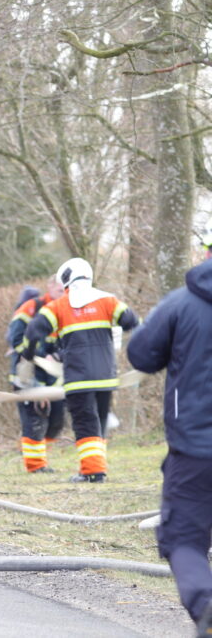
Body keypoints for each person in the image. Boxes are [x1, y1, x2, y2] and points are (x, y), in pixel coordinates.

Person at [126, 232, 212, 632]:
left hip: (195, 449)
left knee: (183, 539)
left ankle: (207, 607)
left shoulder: (182, 303)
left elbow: (142, 355)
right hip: (194, 446)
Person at [23, 258, 138, 483]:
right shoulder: (109, 301)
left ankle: (93, 472)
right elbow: (133, 322)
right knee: (99, 422)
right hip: (106, 378)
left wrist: (29, 355)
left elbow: (33, 331)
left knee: (86, 424)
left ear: (65, 279)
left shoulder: (58, 306)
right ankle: (97, 468)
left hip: (78, 379)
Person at [6, 276, 65, 473]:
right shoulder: (32, 307)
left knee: (56, 421)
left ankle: (37, 452)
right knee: (34, 420)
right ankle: (35, 465)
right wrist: (39, 356)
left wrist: (56, 355)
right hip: (28, 375)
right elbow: (15, 339)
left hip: (55, 377)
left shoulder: (66, 310)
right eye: (60, 289)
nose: (63, 293)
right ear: (50, 286)